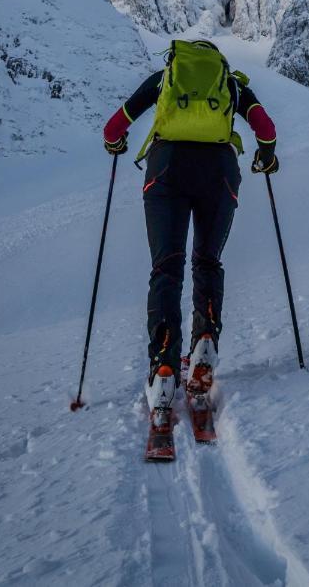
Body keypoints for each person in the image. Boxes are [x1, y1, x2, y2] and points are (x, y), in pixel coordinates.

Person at [102, 39, 278, 412]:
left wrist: (115, 144)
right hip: (220, 172)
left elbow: (114, 126)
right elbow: (266, 128)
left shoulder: (165, 77)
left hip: (166, 168)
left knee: (166, 267)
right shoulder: (231, 83)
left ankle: (163, 365)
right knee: (207, 261)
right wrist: (266, 157)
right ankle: (204, 344)